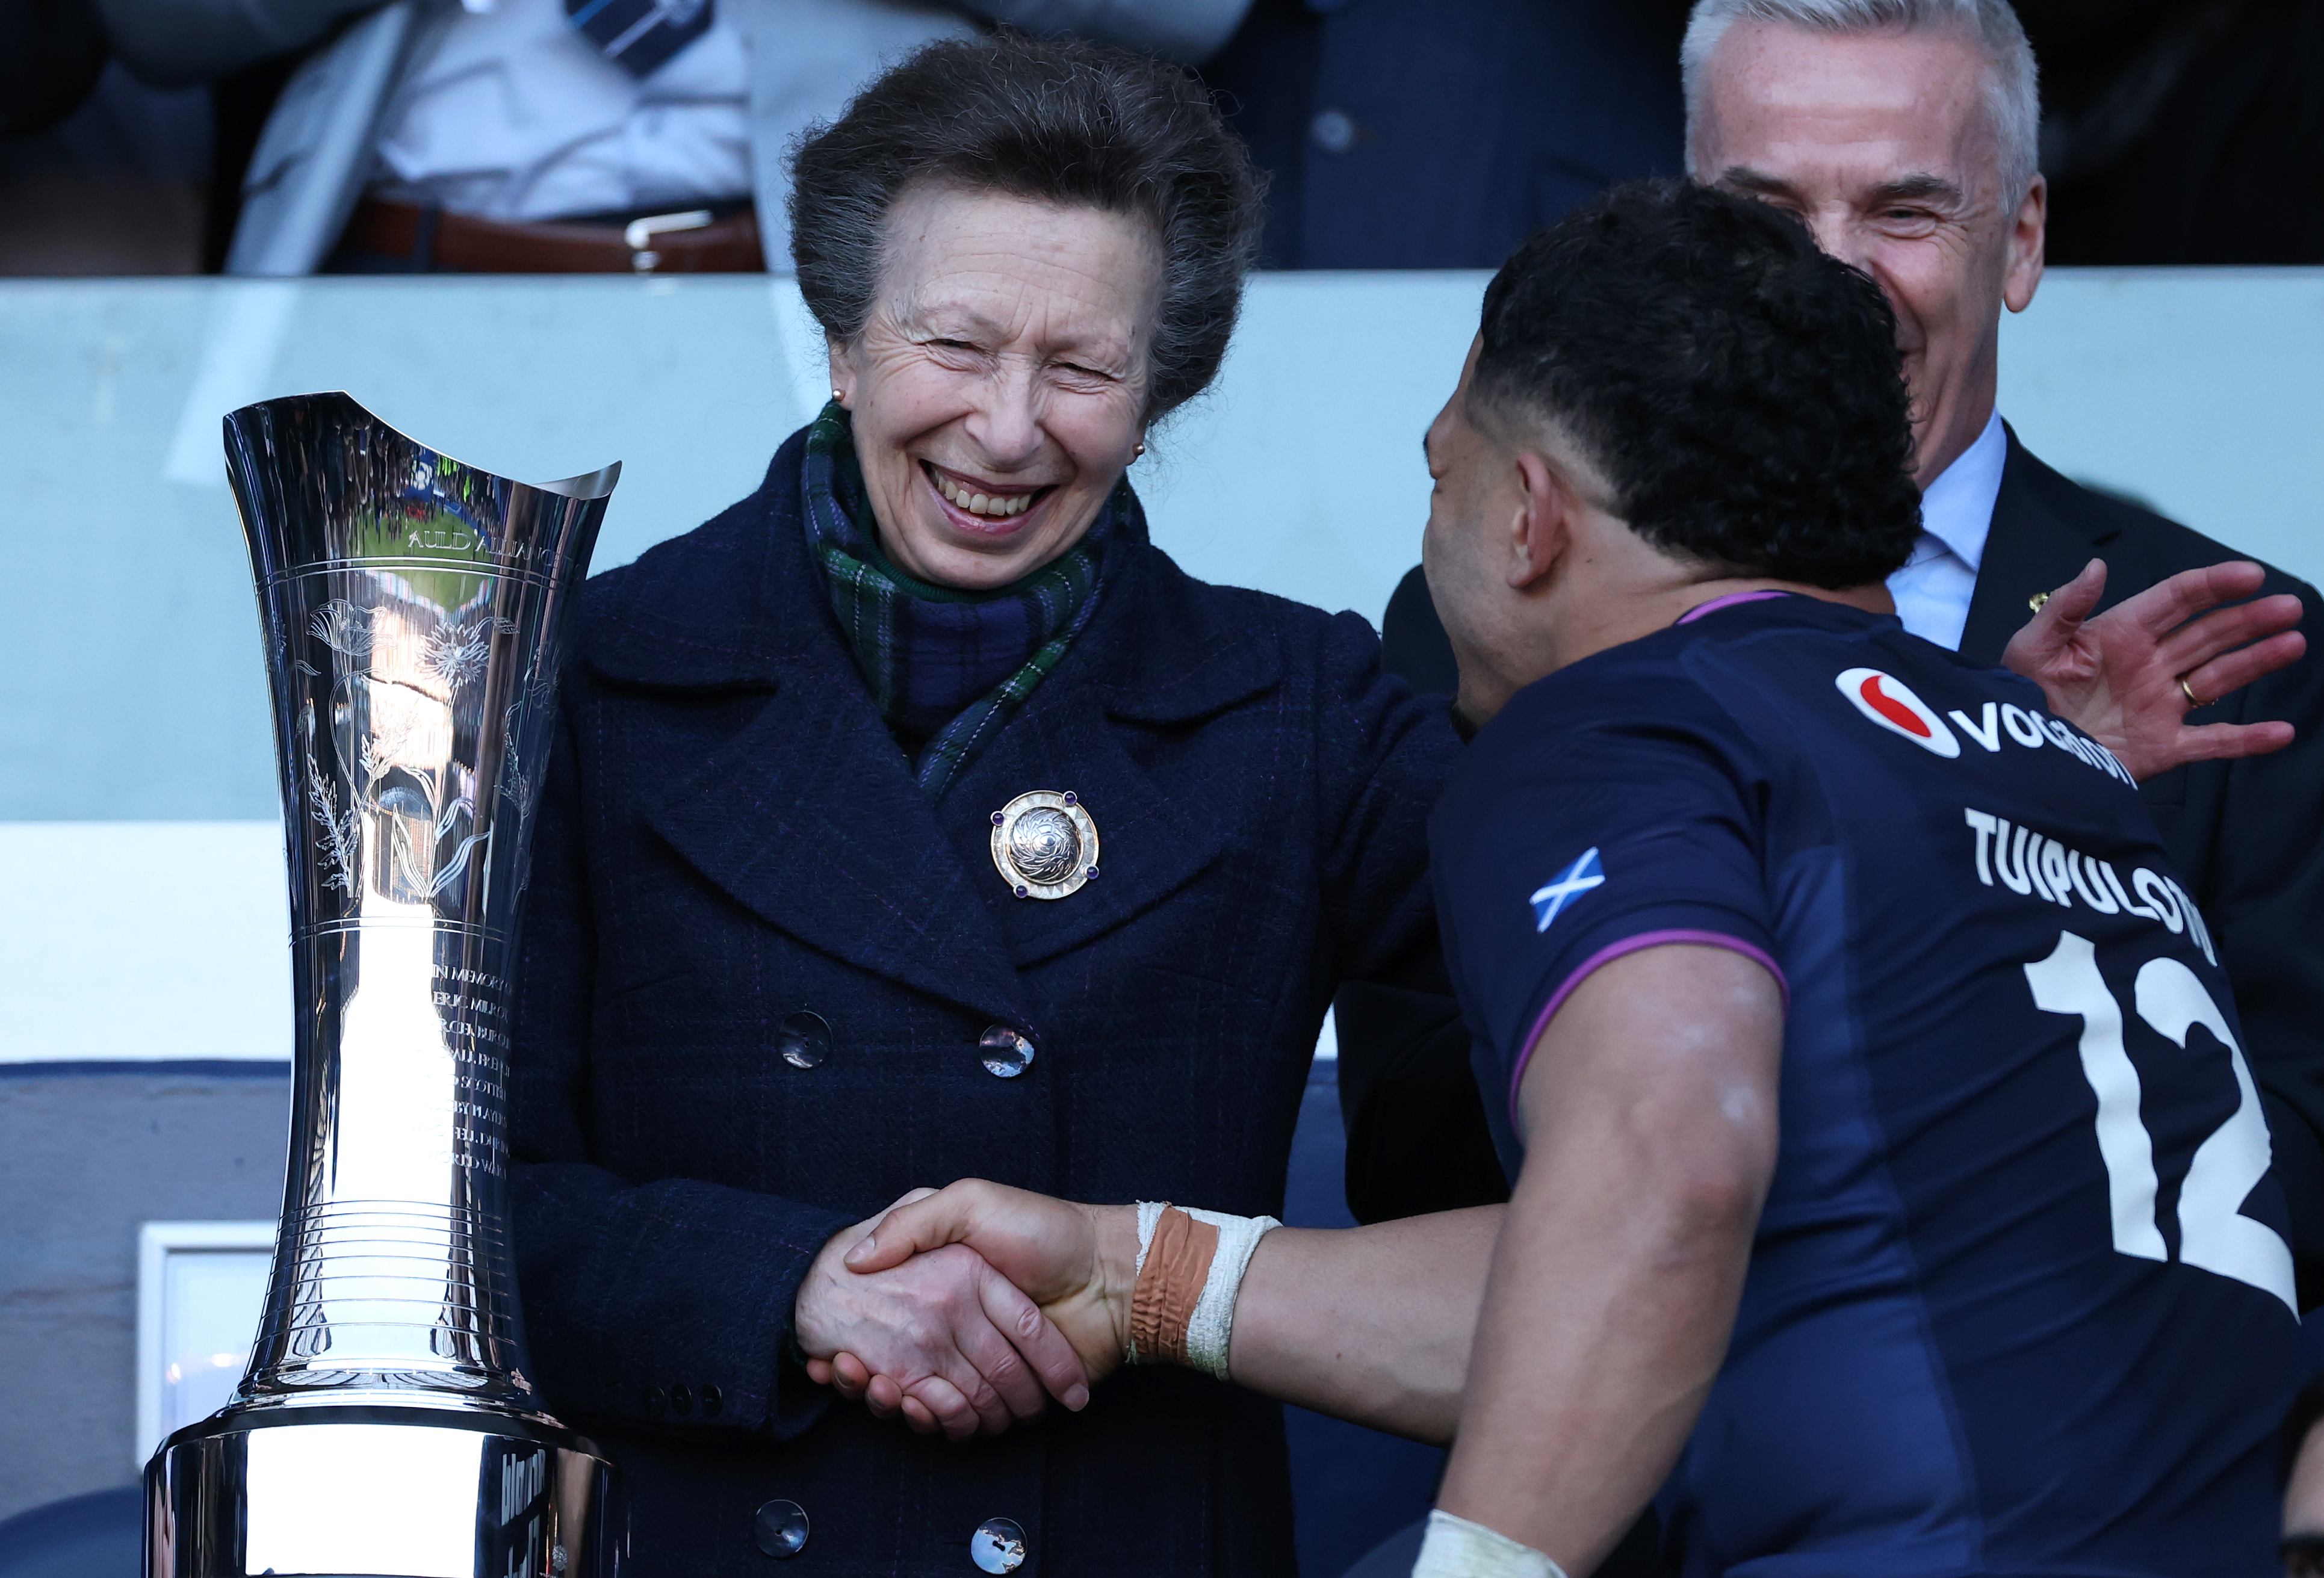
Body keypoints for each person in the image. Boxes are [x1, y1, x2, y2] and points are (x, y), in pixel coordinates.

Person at [835, 178, 2308, 1578]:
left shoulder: (1619, 718)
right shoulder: (2032, 751)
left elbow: (1667, 1159)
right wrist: (1133, 1273)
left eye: (1442, 471)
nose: (1434, 516)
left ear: (1529, 517)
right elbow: (1630, 1287)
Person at [1342, 0, 2324, 1302]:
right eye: (1760, 214)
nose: (1824, 284)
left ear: (2020, 242)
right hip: (1641, 1475)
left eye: (1903, 213)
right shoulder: (1496, 610)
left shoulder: (2228, 644)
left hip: (2083, 1467)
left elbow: (2293, 1179)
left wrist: (2017, 810)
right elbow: (1416, 1152)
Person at [91, 0, 1251, 274]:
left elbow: (1191, 11)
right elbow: (149, 23)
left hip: (843, 306)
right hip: (412, 289)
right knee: (410, 820)